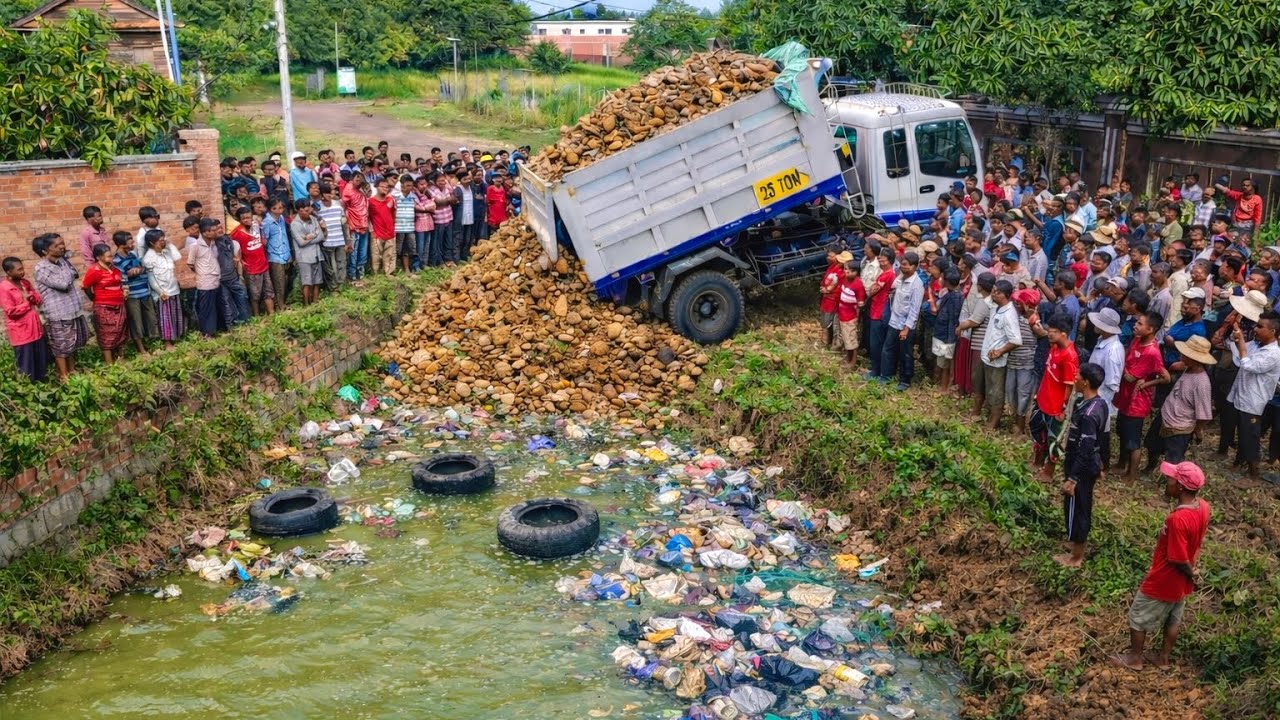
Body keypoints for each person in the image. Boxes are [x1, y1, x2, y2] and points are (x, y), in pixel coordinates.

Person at [1112, 461, 1210, 670]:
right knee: (1173, 619)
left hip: (1165, 578)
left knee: (1137, 616)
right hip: (1181, 582)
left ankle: (1135, 658)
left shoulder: (1177, 519)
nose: (1167, 482)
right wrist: (1192, 572)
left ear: (1180, 487)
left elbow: (1177, 558)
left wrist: (1191, 572)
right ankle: (1163, 659)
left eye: (1171, 479)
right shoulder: (1203, 507)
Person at [1057, 362, 1108, 567]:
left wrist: (1073, 478)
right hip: (1088, 463)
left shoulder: (1088, 415)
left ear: (1085, 382)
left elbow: (1085, 448)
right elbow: (1102, 438)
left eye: (1077, 376)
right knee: (1079, 505)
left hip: (1080, 466)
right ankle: (1074, 543)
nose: (1074, 378)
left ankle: (1076, 556)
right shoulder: (1099, 404)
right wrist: (1101, 463)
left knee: (1078, 508)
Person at [1114, 311, 1170, 482]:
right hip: (1126, 395)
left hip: (1137, 402)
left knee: (1133, 440)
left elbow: (1165, 377)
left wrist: (1146, 383)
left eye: (1140, 324)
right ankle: (1121, 464)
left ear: (1151, 329)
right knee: (1122, 431)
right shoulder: (1137, 340)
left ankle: (1132, 475)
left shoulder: (1152, 352)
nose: (1135, 326)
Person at [1227, 309, 1280, 482]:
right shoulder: (1258, 346)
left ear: (1272, 331)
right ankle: (1239, 461)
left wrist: (1242, 341)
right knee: (1243, 433)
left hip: (1253, 401)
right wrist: (1238, 342)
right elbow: (1240, 357)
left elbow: (1248, 365)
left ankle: (1254, 475)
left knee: (1250, 437)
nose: (1255, 329)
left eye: (1260, 326)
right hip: (1243, 396)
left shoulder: (1273, 354)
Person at [1150, 335, 1214, 466]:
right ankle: (1150, 467)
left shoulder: (1201, 383)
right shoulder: (1187, 368)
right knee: (1152, 445)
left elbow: (1204, 415)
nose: (1181, 354)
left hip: (1180, 426)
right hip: (1166, 415)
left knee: (1173, 460)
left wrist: (1198, 430)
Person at [1031, 313, 1080, 474]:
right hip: (1043, 399)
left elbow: (1069, 387)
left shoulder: (1069, 356)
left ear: (1063, 334)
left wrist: (1063, 408)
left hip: (1055, 406)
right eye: (1049, 330)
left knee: (1054, 439)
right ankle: (1038, 460)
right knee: (1037, 428)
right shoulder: (1054, 347)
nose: (1049, 334)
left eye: (1054, 332)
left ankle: (1048, 471)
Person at [980, 279, 1022, 429]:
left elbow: (1016, 340)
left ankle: (994, 422)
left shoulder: (1009, 314)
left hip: (997, 360)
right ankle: (990, 417)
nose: (994, 294)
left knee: (996, 391)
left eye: (997, 292)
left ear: (1006, 295)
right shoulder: (996, 307)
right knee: (990, 389)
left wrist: (1000, 351)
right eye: (993, 291)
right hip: (987, 357)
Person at [0, 256, 50, 381]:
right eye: (19, 270)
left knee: (41, 364)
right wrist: (27, 303)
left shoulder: (25, 283)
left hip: (36, 330)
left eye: (22, 268)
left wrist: (33, 296)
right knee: (26, 368)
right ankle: (27, 389)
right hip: (22, 334)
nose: (22, 272)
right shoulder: (4, 288)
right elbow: (10, 311)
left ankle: (42, 388)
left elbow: (38, 300)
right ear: (9, 272)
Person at [883, 251, 924, 391]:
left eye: (906, 265)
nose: (902, 267)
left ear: (914, 267)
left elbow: (914, 309)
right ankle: (887, 375)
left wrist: (906, 328)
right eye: (902, 264)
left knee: (905, 353)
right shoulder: (901, 277)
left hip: (905, 325)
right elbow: (893, 287)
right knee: (888, 349)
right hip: (894, 320)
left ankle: (905, 381)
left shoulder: (917, 285)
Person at [83, 243, 128, 364]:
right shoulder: (94, 270)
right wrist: (94, 298)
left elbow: (120, 282)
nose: (111, 258)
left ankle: (120, 358)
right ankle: (109, 364)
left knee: (120, 331)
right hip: (104, 307)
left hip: (119, 305)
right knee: (106, 334)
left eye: (111, 256)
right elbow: (86, 286)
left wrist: (123, 291)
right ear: (98, 257)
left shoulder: (114, 268)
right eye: (108, 256)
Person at [111, 230, 154, 356]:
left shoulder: (132, 255)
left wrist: (138, 270)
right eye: (130, 240)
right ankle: (141, 350)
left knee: (150, 319)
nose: (133, 242)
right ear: (121, 244)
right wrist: (131, 273)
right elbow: (122, 278)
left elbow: (142, 268)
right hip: (132, 295)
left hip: (144, 291)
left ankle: (152, 345)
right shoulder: (116, 261)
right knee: (136, 322)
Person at [140, 229, 184, 350]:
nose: (163, 242)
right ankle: (167, 343)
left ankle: (175, 338)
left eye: (163, 239)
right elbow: (151, 278)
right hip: (163, 292)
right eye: (160, 241)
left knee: (174, 315)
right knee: (165, 318)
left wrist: (169, 244)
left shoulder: (166, 253)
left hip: (173, 289)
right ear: (152, 243)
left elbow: (177, 256)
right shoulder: (148, 258)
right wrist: (160, 292)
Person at [230, 206, 273, 316]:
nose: (247, 220)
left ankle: (272, 314)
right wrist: (241, 261)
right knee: (255, 296)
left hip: (264, 265)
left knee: (268, 292)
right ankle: (256, 316)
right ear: (239, 219)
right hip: (251, 269)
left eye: (249, 217)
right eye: (244, 218)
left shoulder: (256, 225)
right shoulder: (236, 234)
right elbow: (232, 250)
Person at [864, 249, 898, 382]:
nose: (879, 259)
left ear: (888, 260)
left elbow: (872, 291)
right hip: (878, 311)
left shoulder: (887, 275)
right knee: (877, 343)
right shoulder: (887, 274)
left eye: (882, 258)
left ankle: (880, 372)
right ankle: (878, 370)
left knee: (877, 344)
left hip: (879, 312)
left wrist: (868, 291)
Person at [187, 218, 224, 337]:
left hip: (216, 280)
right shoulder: (195, 246)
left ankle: (215, 331)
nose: (216, 232)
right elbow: (190, 263)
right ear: (205, 233)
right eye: (213, 230)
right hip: (205, 282)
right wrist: (202, 272)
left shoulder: (213, 244)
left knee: (215, 307)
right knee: (206, 309)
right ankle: (207, 333)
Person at [932, 267, 963, 389]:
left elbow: (953, 320)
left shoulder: (955, 297)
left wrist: (950, 340)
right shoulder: (949, 294)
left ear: (947, 281)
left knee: (945, 363)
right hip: (942, 333)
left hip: (946, 336)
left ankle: (943, 387)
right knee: (941, 361)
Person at [291, 200, 325, 305]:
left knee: (317, 281)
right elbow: (301, 243)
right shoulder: (294, 224)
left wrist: (309, 237)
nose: (308, 212)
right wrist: (314, 235)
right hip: (304, 257)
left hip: (316, 254)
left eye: (308, 209)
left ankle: (316, 303)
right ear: (299, 211)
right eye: (305, 211)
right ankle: (306, 305)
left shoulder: (313, 219)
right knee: (306, 283)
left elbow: (321, 236)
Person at [316, 184, 348, 292]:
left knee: (341, 263)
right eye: (326, 193)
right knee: (329, 267)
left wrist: (347, 240)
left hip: (339, 239)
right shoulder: (318, 207)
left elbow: (343, 222)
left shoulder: (338, 204)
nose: (329, 195)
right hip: (326, 241)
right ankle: (333, 287)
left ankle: (341, 285)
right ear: (321, 194)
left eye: (330, 192)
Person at [836, 259, 865, 369]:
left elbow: (860, 304)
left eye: (849, 270)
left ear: (856, 272)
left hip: (850, 316)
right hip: (842, 314)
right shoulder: (845, 279)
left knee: (851, 340)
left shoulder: (858, 284)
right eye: (845, 269)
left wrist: (856, 318)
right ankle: (848, 358)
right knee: (846, 338)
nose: (846, 272)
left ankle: (852, 362)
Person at [343, 172, 371, 281]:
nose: (359, 181)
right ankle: (352, 275)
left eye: (361, 179)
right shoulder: (348, 189)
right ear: (352, 179)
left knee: (362, 251)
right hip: (353, 226)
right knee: (353, 252)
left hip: (364, 224)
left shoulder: (361, 191)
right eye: (357, 179)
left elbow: (368, 197)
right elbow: (344, 206)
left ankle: (360, 273)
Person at [367, 178, 398, 276]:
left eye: (387, 187)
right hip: (377, 233)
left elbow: (394, 214)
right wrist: (372, 231)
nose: (385, 189)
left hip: (390, 232)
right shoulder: (370, 202)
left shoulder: (391, 200)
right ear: (376, 187)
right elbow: (367, 217)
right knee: (376, 257)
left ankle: (388, 273)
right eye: (382, 186)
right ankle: (376, 275)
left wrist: (393, 228)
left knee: (389, 255)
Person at [818, 250, 847, 350]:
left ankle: (831, 344)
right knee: (826, 322)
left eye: (831, 256)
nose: (829, 258)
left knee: (834, 324)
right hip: (827, 299)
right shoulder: (832, 267)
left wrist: (828, 290)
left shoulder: (844, 272)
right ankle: (826, 342)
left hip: (835, 300)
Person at [392, 175, 418, 273]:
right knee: (397, 249)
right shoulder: (395, 196)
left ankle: (407, 269)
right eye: (407, 185)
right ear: (402, 186)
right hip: (398, 227)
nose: (409, 188)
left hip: (410, 227)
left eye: (411, 185)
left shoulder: (413, 196)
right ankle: (395, 268)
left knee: (409, 248)